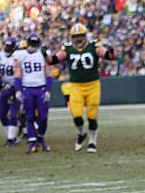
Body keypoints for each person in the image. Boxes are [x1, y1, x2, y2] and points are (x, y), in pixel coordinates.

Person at [48, 23, 115, 153]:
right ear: (72, 36)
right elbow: (53, 60)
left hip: (93, 84)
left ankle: (92, 141)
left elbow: (108, 56)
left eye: (80, 35)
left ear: (85, 35)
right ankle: (81, 133)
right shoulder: (67, 48)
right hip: (76, 86)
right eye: (76, 36)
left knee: (91, 116)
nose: (78, 38)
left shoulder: (93, 46)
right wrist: (45, 53)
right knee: (76, 114)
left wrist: (111, 51)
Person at [14, 34, 52, 153]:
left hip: (40, 88)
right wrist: (18, 89)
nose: (33, 46)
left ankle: (40, 138)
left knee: (44, 118)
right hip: (27, 89)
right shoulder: (20, 55)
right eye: (32, 43)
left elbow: (48, 73)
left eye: (35, 44)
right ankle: (32, 143)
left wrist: (48, 90)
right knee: (29, 117)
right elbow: (18, 73)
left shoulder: (42, 54)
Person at [0, 37, 22, 147]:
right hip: (4, 88)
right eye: (6, 45)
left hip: (15, 87)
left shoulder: (18, 56)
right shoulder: (0, 56)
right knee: (1, 114)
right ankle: (13, 135)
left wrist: (18, 87)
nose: (7, 48)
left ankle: (11, 139)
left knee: (13, 114)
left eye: (9, 46)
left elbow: (21, 73)